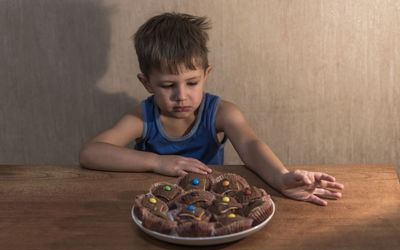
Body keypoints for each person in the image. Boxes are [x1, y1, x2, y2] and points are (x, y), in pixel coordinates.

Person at [79, 12, 343, 206]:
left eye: (192, 83)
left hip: (212, 206)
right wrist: (158, 162)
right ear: (147, 83)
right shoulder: (142, 117)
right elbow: (91, 152)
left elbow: (250, 147)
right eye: (168, 85)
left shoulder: (221, 112)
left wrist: (282, 177)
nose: (181, 96)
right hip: (159, 207)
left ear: (206, 75)